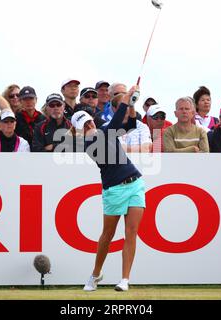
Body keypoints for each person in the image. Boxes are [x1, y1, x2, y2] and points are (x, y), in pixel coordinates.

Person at [75, 85, 145, 292]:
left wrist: (131, 104)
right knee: (107, 235)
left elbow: (130, 123)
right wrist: (125, 97)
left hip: (135, 184)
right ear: (79, 131)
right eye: (84, 125)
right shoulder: (88, 144)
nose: (89, 126)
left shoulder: (105, 131)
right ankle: (96, 274)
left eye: (89, 122)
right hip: (113, 190)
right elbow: (117, 121)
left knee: (131, 232)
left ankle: (125, 279)